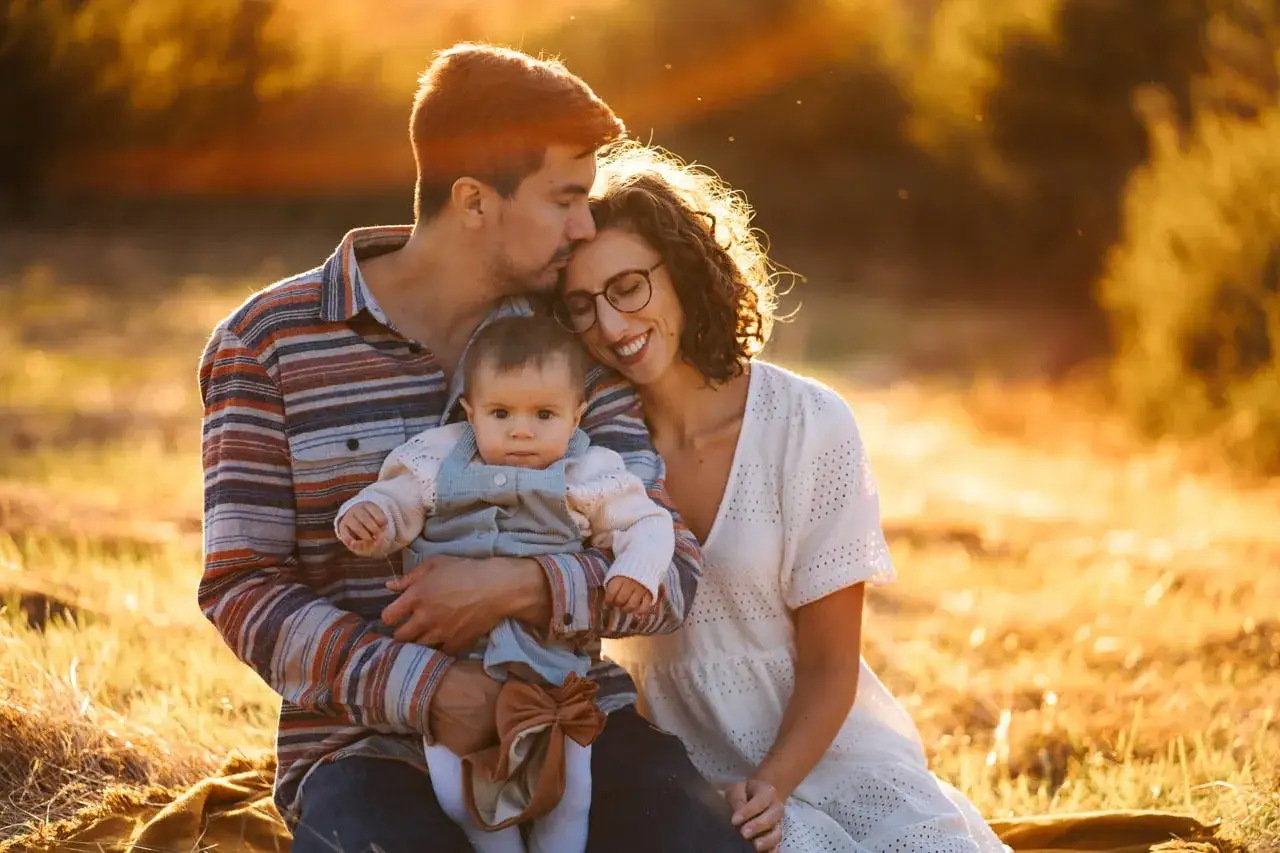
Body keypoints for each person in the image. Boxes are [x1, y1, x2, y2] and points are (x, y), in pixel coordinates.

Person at [198, 44, 754, 853]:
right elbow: (243, 589)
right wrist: (434, 690)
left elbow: (673, 572)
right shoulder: (268, 344)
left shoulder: (568, 336)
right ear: (472, 200)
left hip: (573, 721)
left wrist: (524, 586)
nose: (586, 225)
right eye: (566, 198)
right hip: (364, 747)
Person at [557, 141, 1011, 853]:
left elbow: (833, 662)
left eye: (627, 287)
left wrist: (773, 784)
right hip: (676, 787)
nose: (611, 325)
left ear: (678, 270)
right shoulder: (583, 451)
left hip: (823, 759)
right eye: (582, 305)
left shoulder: (808, 424)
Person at [334, 314, 674, 853]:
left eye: (544, 414)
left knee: (570, 794)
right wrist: (372, 518)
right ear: (470, 413)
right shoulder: (438, 456)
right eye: (500, 413)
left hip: (553, 678)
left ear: (576, 414)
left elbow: (648, 523)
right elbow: (398, 503)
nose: (521, 430)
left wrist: (636, 569)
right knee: (459, 793)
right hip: (451, 670)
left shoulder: (588, 471)